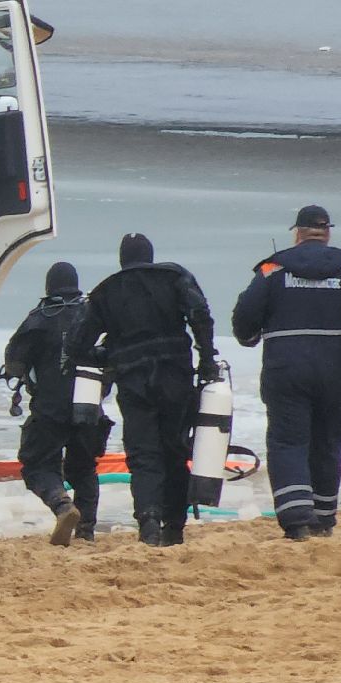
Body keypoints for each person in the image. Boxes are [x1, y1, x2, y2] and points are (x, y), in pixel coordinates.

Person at [232, 206, 341, 541]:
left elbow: (245, 316)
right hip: (333, 368)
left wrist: (248, 338)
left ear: (297, 233)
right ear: (327, 233)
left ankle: (296, 520)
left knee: (287, 440)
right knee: (327, 440)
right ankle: (323, 518)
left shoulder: (273, 268)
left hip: (286, 368)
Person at [65, 233, 218, 547]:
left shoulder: (105, 291)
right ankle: (174, 526)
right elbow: (201, 315)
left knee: (143, 454)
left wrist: (107, 355)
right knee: (175, 451)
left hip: (134, 383)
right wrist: (206, 359)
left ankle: (148, 523)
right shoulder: (174, 276)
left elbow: (76, 345)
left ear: (122, 260)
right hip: (175, 377)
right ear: (150, 255)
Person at [2, 262, 108, 545]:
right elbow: (112, 352)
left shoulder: (39, 318)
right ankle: (85, 532)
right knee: (84, 468)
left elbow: (13, 361)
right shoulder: (92, 314)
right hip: (88, 406)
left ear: (49, 287)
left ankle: (62, 505)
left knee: (36, 465)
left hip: (50, 409)